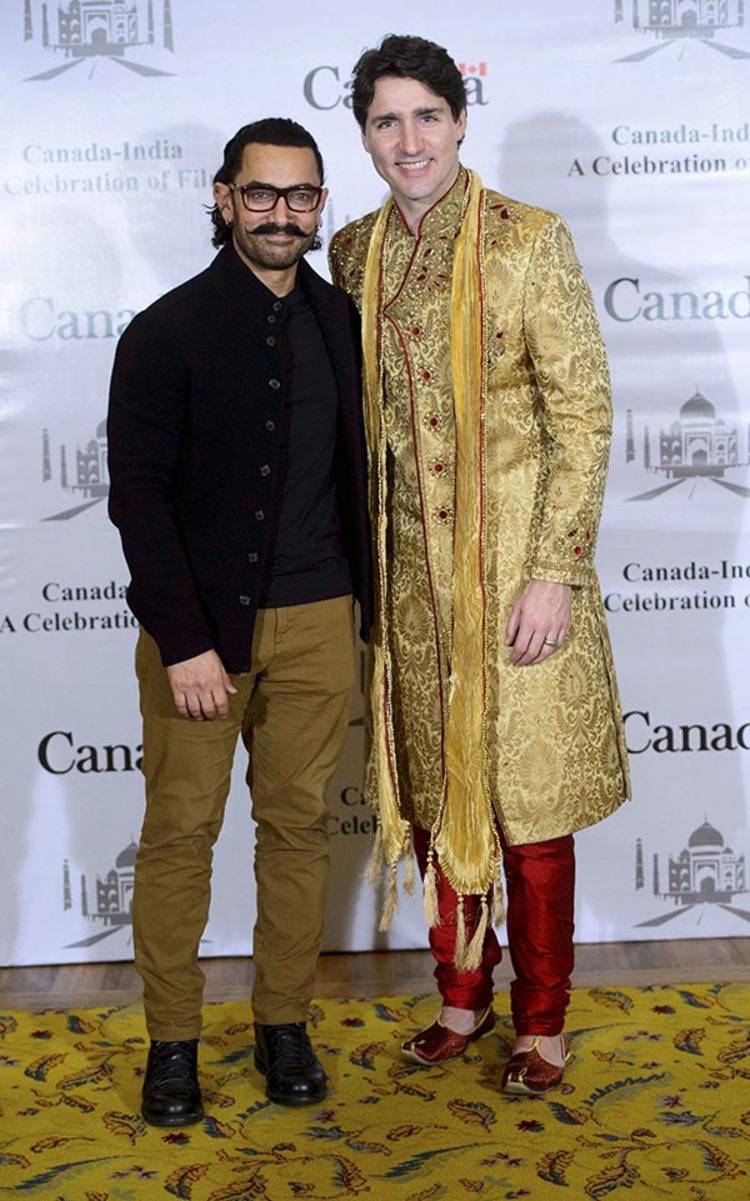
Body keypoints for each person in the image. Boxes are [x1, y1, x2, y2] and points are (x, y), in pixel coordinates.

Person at [329, 36, 630, 1096]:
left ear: (461, 120)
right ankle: (463, 998)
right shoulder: (354, 251)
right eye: (384, 121)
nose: (407, 141)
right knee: (432, 796)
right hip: (411, 586)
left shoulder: (526, 241)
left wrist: (554, 569)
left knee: (526, 810)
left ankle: (541, 1024)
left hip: (515, 576)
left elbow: (582, 414)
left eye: (426, 117)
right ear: (362, 133)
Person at [108, 118, 371, 1125]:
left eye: (300, 196)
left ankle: (283, 1023)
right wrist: (184, 639)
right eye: (260, 194)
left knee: (300, 829)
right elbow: (139, 497)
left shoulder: (340, 321)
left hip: (318, 619)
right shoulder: (166, 330)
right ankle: (173, 1042)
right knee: (181, 832)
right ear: (224, 198)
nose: (281, 214)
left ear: (318, 204)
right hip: (202, 636)